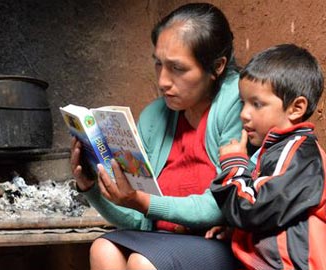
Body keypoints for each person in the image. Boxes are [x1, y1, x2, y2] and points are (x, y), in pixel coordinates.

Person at [70, 3, 243, 269]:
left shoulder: (236, 102)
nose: (163, 81)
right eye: (159, 64)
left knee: (143, 262)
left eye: (178, 68)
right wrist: (91, 188)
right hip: (164, 238)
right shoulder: (154, 116)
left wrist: (146, 202)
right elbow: (139, 218)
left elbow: (226, 202)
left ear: (217, 66)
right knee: (103, 248)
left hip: (221, 241)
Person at [209, 44, 326, 269]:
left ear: (296, 108)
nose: (244, 114)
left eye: (257, 104)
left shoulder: (298, 154)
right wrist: (238, 231)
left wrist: (234, 165)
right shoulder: (281, 149)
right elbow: (274, 213)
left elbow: (252, 209)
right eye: (243, 103)